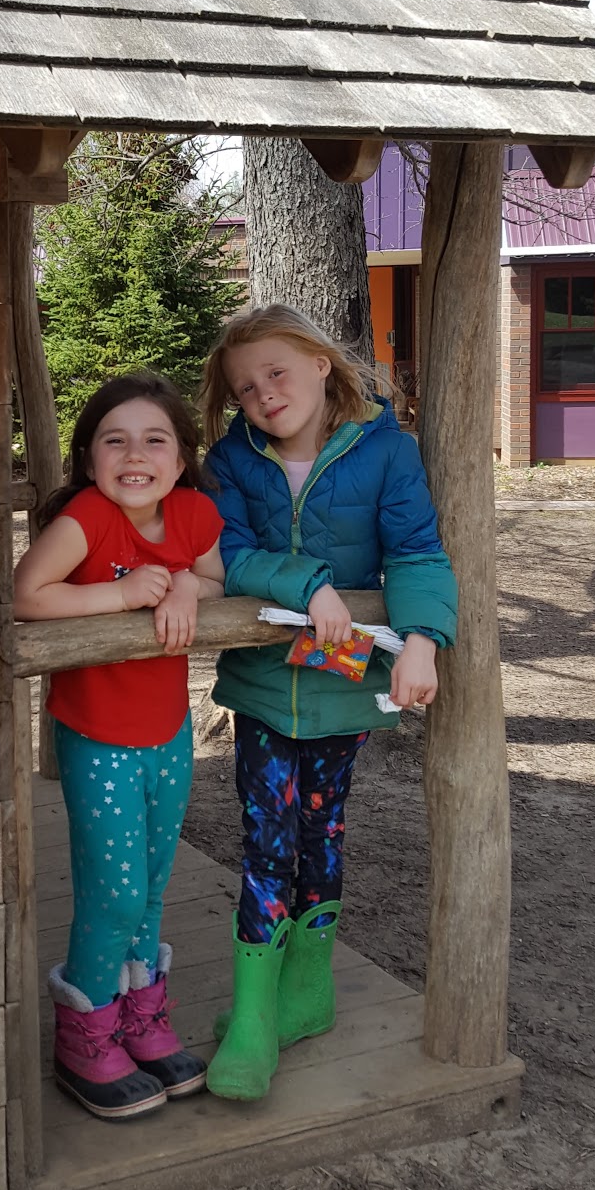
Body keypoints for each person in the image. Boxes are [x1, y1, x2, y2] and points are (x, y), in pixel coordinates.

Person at [198, 305, 457, 1102]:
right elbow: (232, 552)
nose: (263, 395)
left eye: (276, 372)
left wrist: (421, 640)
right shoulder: (231, 462)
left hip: (346, 687)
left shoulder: (387, 452)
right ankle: (251, 1016)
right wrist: (306, 585)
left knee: (325, 828)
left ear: (319, 362)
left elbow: (416, 550)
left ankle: (306, 993)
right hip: (266, 686)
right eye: (245, 388)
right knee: (266, 838)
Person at [14, 373, 226, 1121]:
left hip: (168, 735)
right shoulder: (87, 517)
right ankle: (85, 1031)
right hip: (96, 736)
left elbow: (212, 573)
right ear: (89, 455)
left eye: (155, 440)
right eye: (116, 439)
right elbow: (28, 594)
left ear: (181, 457)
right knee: (114, 889)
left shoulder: (195, 512)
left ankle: (140, 1020)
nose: (135, 455)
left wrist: (184, 591)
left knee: (155, 881)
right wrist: (124, 593)